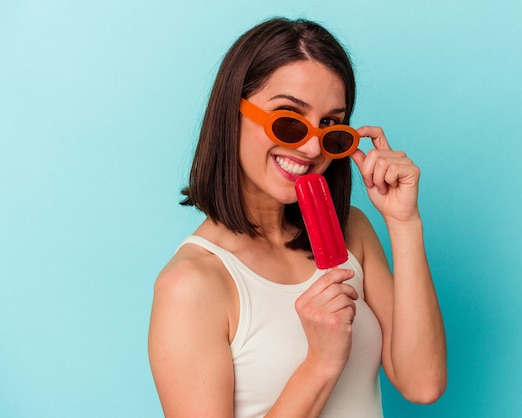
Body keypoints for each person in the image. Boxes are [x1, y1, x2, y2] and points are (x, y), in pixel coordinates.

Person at [148, 17, 447, 418]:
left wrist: (404, 224)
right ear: (232, 114)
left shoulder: (351, 232)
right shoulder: (191, 285)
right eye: (289, 120)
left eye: (329, 126)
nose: (310, 148)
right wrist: (320, 364)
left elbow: (422, 384)